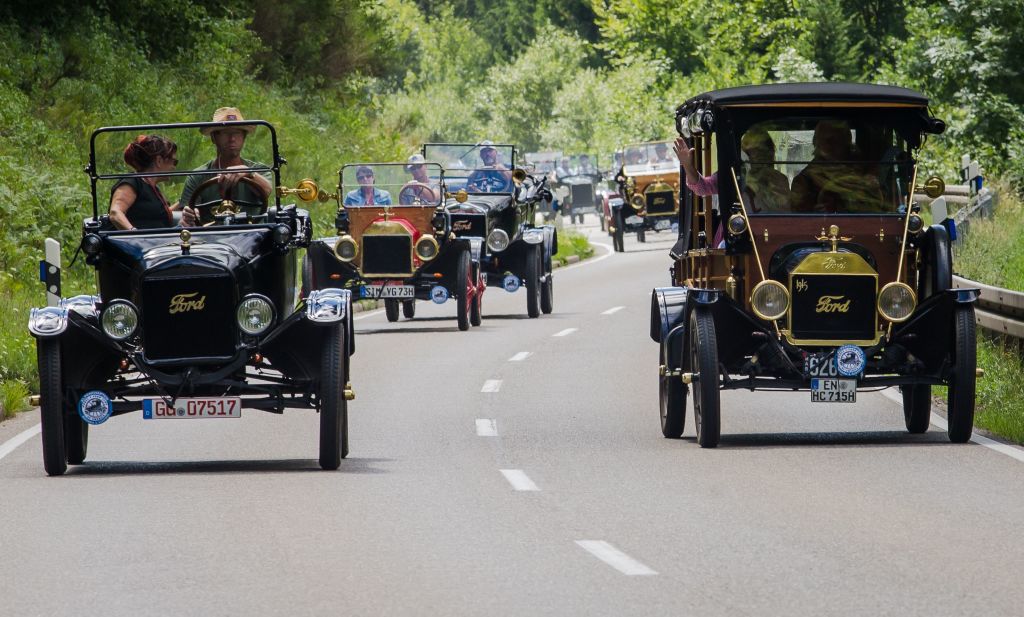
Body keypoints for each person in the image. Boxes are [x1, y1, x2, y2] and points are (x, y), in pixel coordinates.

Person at [179, 107, 273, 226]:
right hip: (212, 239)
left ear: (244, 137)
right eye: (225, 133)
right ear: (214, 138)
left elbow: (267, 191)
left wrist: (248, 172)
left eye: (237, 133)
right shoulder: (198, 176)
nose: (232, 139)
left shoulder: (257, 169)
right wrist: (190, 215)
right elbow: (187, 212)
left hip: (253, 236)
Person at [674, 130, 789, 213]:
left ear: (772, 152)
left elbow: (786, 213)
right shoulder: (732, 175)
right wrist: (687, 165)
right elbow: (702, 187)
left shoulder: (780, 179)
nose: (760, 155)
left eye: (765, 149)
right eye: (754, 150)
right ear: (744, 153)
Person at [109, 134, 178, 230]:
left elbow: (155, 215)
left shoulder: (153, 188)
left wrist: (183, 204)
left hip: (159, 241)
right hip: (138, 243)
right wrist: (135, 234)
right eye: (174, 162)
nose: (174, 167)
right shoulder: (133, 182)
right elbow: (115, 213)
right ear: (159, 161)